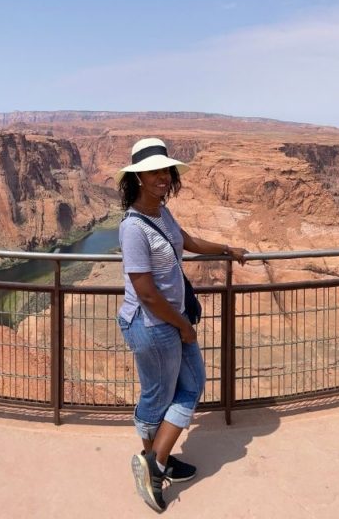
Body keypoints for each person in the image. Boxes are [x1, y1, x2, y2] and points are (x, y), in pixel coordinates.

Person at [116, 137, 248, 513]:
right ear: (137, 177)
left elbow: (184, 240)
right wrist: (184, 327)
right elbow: (144, 290)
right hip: (154, 325)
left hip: (173, 321)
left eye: (166, 170)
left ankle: (156, 459)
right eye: (153, 171)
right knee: (159, 396)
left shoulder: (161, 212)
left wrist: (225, 249)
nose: (162, 177)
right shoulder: (132, 227)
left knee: (190, 385)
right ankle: (155, 464)